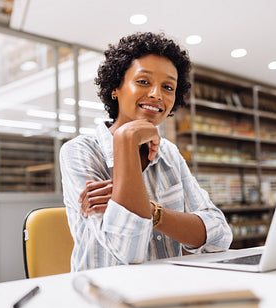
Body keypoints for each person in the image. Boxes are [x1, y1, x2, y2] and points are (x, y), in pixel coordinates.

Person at [60, 32, 232, 272]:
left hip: (166, 289)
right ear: (116, 88)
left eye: (168, 87)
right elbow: (127, 252)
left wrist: (151, 211)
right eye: (143, 81)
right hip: (102, 293)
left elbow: (220, 237)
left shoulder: (169, 152)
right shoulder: (80, 151)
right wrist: (126, 140)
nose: (156, 94)